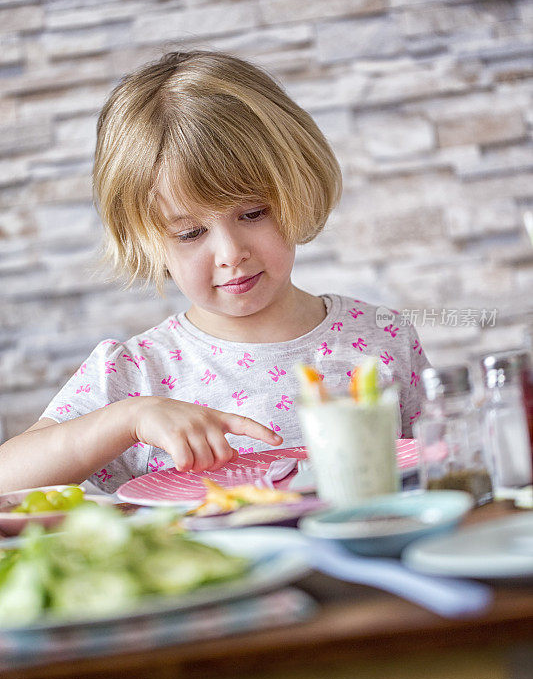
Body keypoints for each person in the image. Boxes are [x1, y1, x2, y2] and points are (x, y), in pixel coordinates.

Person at [0, 50, 430, 494]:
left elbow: (441, 471)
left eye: (253, 213)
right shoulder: (137, 374)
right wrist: (127, 419)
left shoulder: (383, 338)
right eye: (190, 233)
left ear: (298, 186)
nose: (230, 253)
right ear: (146, 240)